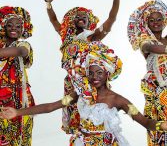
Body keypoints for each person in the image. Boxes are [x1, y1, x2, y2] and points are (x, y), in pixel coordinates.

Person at [1, 41, 167, 146]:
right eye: (91, 73)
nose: (95, 77)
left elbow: (145, 122)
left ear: (107, 74)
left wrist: (161, 126)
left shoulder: (118, 100)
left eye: (99, 73)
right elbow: (51, 107)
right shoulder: (79, 95)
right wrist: (17, 112)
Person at [44, 0, 120, 134]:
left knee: (94, 120)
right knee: (75, 119)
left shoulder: (93, 36)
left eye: (84, 17)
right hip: (71, 83)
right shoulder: (66, 37)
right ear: (72, 20)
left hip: (93, 82)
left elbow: (111, 19)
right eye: (77, 16)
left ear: (88, 20)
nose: (80, 18)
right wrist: (48, 2)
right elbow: (53, 20)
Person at [127, 0, 167, 145]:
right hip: (158, 91)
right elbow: (148, 47)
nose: (156, 22)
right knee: (160, 128)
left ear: (164, 21)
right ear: (146, 23)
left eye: (159, 19)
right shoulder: (145, 39)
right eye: (152, 20)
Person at [0, 6, 35, 146]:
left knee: (20, 136)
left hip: (20, 99)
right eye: (10, 25)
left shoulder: (24, 44)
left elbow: (20, 51)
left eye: (18, 25)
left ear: (23, 28)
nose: (14, 28)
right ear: (3, 26)